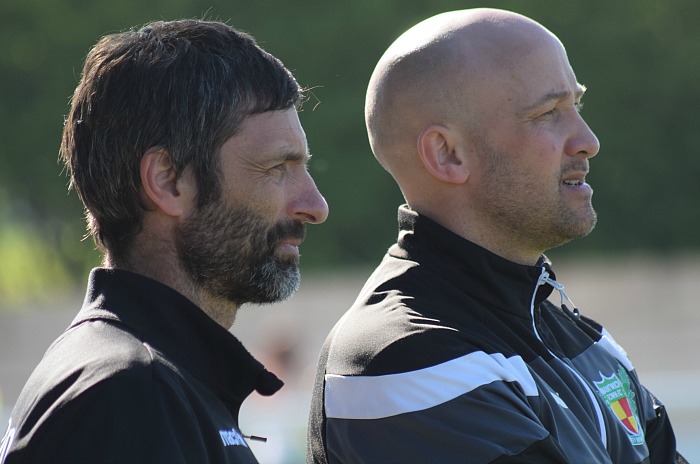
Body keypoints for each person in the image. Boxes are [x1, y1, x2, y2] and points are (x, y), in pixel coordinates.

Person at [307, 8, 685, 464]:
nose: (588, 140)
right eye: (548, 113)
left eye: (576, 106)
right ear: (447, 154)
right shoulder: (408, 357)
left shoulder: (579, 338)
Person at [0, 19, 328, 464]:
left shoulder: (146, 380)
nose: (315, 205)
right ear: (168, 181)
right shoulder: (129, 392)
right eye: (276, 169)